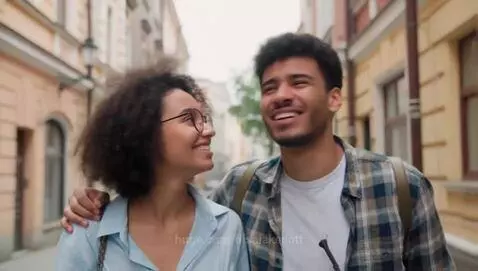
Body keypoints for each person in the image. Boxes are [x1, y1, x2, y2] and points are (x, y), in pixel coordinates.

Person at [60, 33, 455, 270]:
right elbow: (162, 203)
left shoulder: (400, 186)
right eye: (270, 87)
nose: (281, 96)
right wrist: (91, 201)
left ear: (335, 98)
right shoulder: (239, 192)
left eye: (299, 82)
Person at [55, 58, 250, 271]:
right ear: (144, 132)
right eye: (189, 118)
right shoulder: (87, 230)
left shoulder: (228, 227)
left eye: (204, 119)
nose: (209, 131)